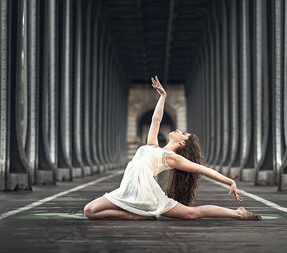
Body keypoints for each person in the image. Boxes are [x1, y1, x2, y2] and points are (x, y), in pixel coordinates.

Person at [84, 76, 262, 220]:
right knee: (90, 211)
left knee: (192, 213)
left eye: (183, 133)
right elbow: (156, 120)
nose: (179, 130)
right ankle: (133, 215)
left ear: (183, 143)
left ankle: (238, 213)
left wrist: (230, 182)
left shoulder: (171, 157)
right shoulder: (152, 146)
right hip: (128, 191)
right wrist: (163, 97)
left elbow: (203, 169)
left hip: (146, 194)